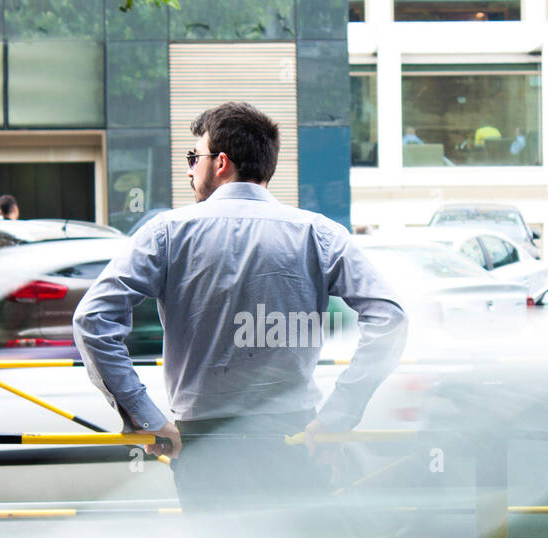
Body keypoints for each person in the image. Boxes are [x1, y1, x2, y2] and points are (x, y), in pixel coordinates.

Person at [73, 102, 408, 510]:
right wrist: (339, 415)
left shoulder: (166, 233)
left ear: (221, 163)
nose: (189, 168)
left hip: (203, 442)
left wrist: (146, 417)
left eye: (194, 157)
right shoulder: (317, 234)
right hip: (294, 436)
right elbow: (390, 319)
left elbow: (92, 319)